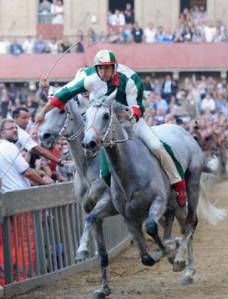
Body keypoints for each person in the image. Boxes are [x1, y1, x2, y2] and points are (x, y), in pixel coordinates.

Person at [35, 49, 188, 206]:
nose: (103, 72)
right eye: (100, 68)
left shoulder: (129, 79)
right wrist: (42, 112)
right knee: (104, 171)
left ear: (114, 67)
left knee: (157, 146)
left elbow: (137, 107)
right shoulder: (89, 78)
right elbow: (63, 94)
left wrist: (129, 115)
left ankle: (179, 184)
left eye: (107, 67)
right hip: (104, 126)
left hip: (129, 122)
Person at [0, 119, 47, 191]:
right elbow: (27, 172)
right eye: (11, 128)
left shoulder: (0, 149)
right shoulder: (8, 146)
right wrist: (46, 185)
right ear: (2, 133)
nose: (15, 130)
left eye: (16, 128)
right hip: (15, 195)